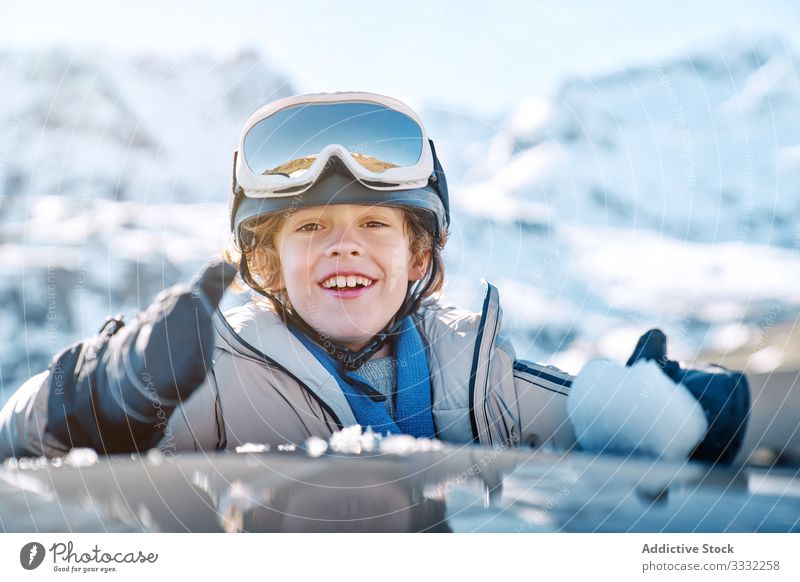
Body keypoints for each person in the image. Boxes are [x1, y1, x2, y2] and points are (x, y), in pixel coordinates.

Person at [0, 92, 747, 462]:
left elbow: (578, 415)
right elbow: (19, 434)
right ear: (267, 262)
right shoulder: (217, 380)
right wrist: (105, 392)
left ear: (419, 257)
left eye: (375, 224)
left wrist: (674, 412)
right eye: (312, 227)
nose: (343, 246)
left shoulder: (473, 374)